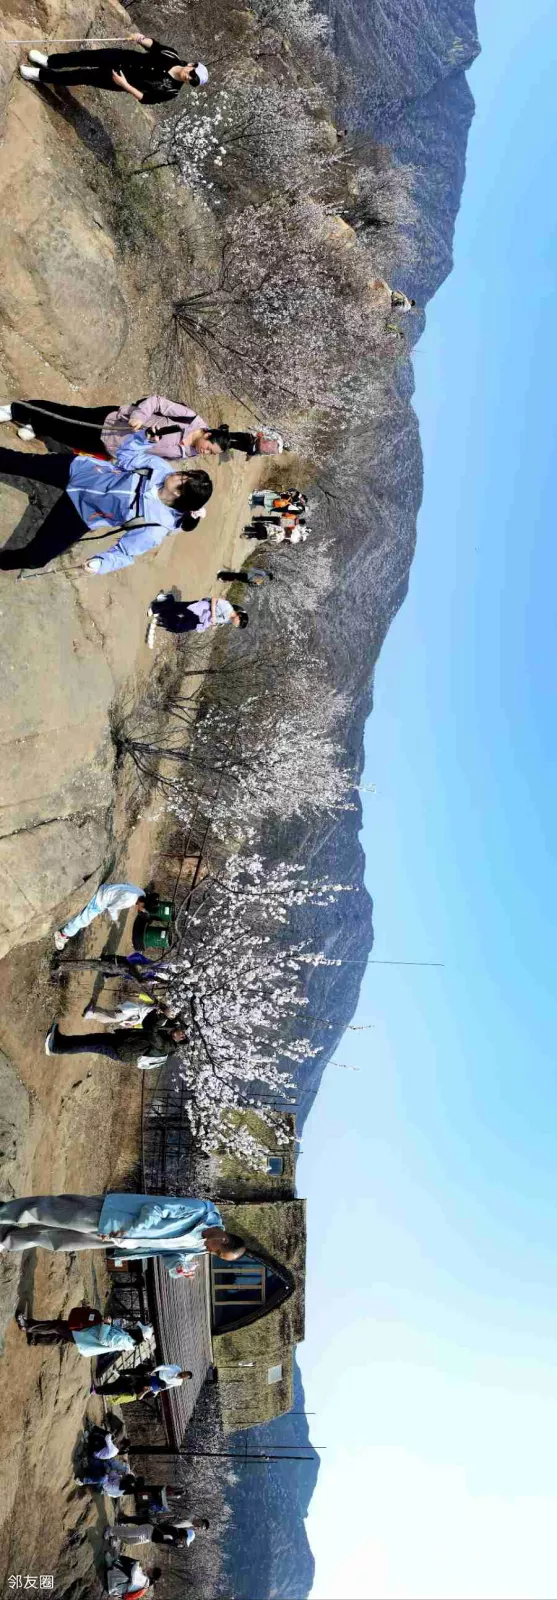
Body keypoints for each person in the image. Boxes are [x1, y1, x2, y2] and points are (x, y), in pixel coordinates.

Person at [0, 432, 212, 573]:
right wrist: (143, 439)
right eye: (185, 473)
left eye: (182, 480)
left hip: (82, 512)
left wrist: (101, 564)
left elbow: (126, 553)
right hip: (81, 470)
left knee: (36, 558)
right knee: (17, 462)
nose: (178, 474)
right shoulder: (159, 468)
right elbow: (125, 456)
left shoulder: (155, 527)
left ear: (179, 495)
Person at [0, 1192, 246, 1277]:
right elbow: (155, 1208)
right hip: (113, 1216)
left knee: (58, 1240)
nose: (211, 1253)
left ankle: (6, 1239)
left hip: (118, 1239)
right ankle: (5, 1212)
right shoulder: (199, 1212)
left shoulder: (200, 1246)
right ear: (223, 1239)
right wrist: (131, 1230)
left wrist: (179, 1267)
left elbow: (169, 1253)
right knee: (50, 1212)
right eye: (218, 1252)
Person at [0, 404, 284, 462]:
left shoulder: (188, 453)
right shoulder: (191, 418)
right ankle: (16, 409)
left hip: (113, 447)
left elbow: (156, 457)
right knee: (68, 415)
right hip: (115, 423)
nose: (206, 453)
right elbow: (157, 401)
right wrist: (139, 417)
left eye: (211, 455)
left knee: (69, 436)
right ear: (207, 435)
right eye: (210, 449)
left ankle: (38, 427)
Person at [19, 36, 208, 104]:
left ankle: (39, 75)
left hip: (119, 79)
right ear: (192, 65)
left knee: (79, 76)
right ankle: (49, 61)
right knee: (83, 57)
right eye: (192, 74)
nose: (189, 78)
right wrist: (141, 39)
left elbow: (146, 98)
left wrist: (125, 85)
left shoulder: (172, 91)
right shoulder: (172, 55)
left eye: (193, 82)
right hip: (121, 57)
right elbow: (154, 46)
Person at [44, 1010, 186, 1070]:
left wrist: (163, 1017)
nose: (180, 1031)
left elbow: (152, 1034)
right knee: (90, 1039)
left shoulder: (167, 1046)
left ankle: (56, 1048)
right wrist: (158, 1012)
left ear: (181, 1039)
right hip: (123, 1041)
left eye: (182, 1034)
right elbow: (147, 1025)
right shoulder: (167, 1035)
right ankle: (61, 1040)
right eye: (182, 1029)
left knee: (90, 1045)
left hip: (123, 1050)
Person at [16, 1303, 152, 1353]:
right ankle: (35, 1340)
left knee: (57, 1326)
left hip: (85, 1334)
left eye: (138, 1329)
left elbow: (103, 1339)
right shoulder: (127, 1339)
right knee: (61, 1338)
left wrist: (106, 1324)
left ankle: (26, 1325)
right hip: (86, 1337)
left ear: (138, 1333)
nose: (135, 1328)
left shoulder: (123, 1339)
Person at [54, 881, 147, 953]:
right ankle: (62, 935)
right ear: (142, 903)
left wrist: (115, 891)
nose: (142, 910)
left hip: (105, 889)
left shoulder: (141, 893)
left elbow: (127, 883)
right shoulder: (129, 900)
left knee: (85, 918)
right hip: (99, 900)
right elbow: (112, 908)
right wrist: (115, 919)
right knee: (84, 921)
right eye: (144, 909)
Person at [147, 592, 248, 638]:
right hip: (201, 609)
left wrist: (214, 624)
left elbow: (218, 620)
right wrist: (213, 615)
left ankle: (163, 612)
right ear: (239, 616)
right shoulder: (228, 607)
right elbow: (214, 599)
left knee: (180, 628)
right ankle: (156, 607)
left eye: (238, 626)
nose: (236, 625)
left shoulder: (229, 620)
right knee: (178, 608)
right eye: (238, 623)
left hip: (201, 621)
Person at [92, 1364, 193, 1401]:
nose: (183, 1375)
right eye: (184, 1373)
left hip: (139, 1387)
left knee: (117, 1389)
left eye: (185, 1376)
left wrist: (147, 1391)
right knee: (124, 1379)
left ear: (185, 1378)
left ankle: (97, 1391)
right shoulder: (176, 1368)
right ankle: (99, 1388)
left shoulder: (153, 1391)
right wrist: (153, 1372)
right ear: (184, 1371)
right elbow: (163, 1367)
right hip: (155, 1375)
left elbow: (139, 1397)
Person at [109, 1517, 209, 1548]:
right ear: (184, 1535)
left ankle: (117, 1534)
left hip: (149, 1537)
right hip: (150, 1530)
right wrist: (175, 1543)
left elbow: (167, 1540)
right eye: (185, 1540)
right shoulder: (175, 1533)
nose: (183, 1542)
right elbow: (166, 1538)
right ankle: (112, 1530)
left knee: (131, 1541)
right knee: (130, 1532)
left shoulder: (176, 1536)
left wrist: (176, 1543)